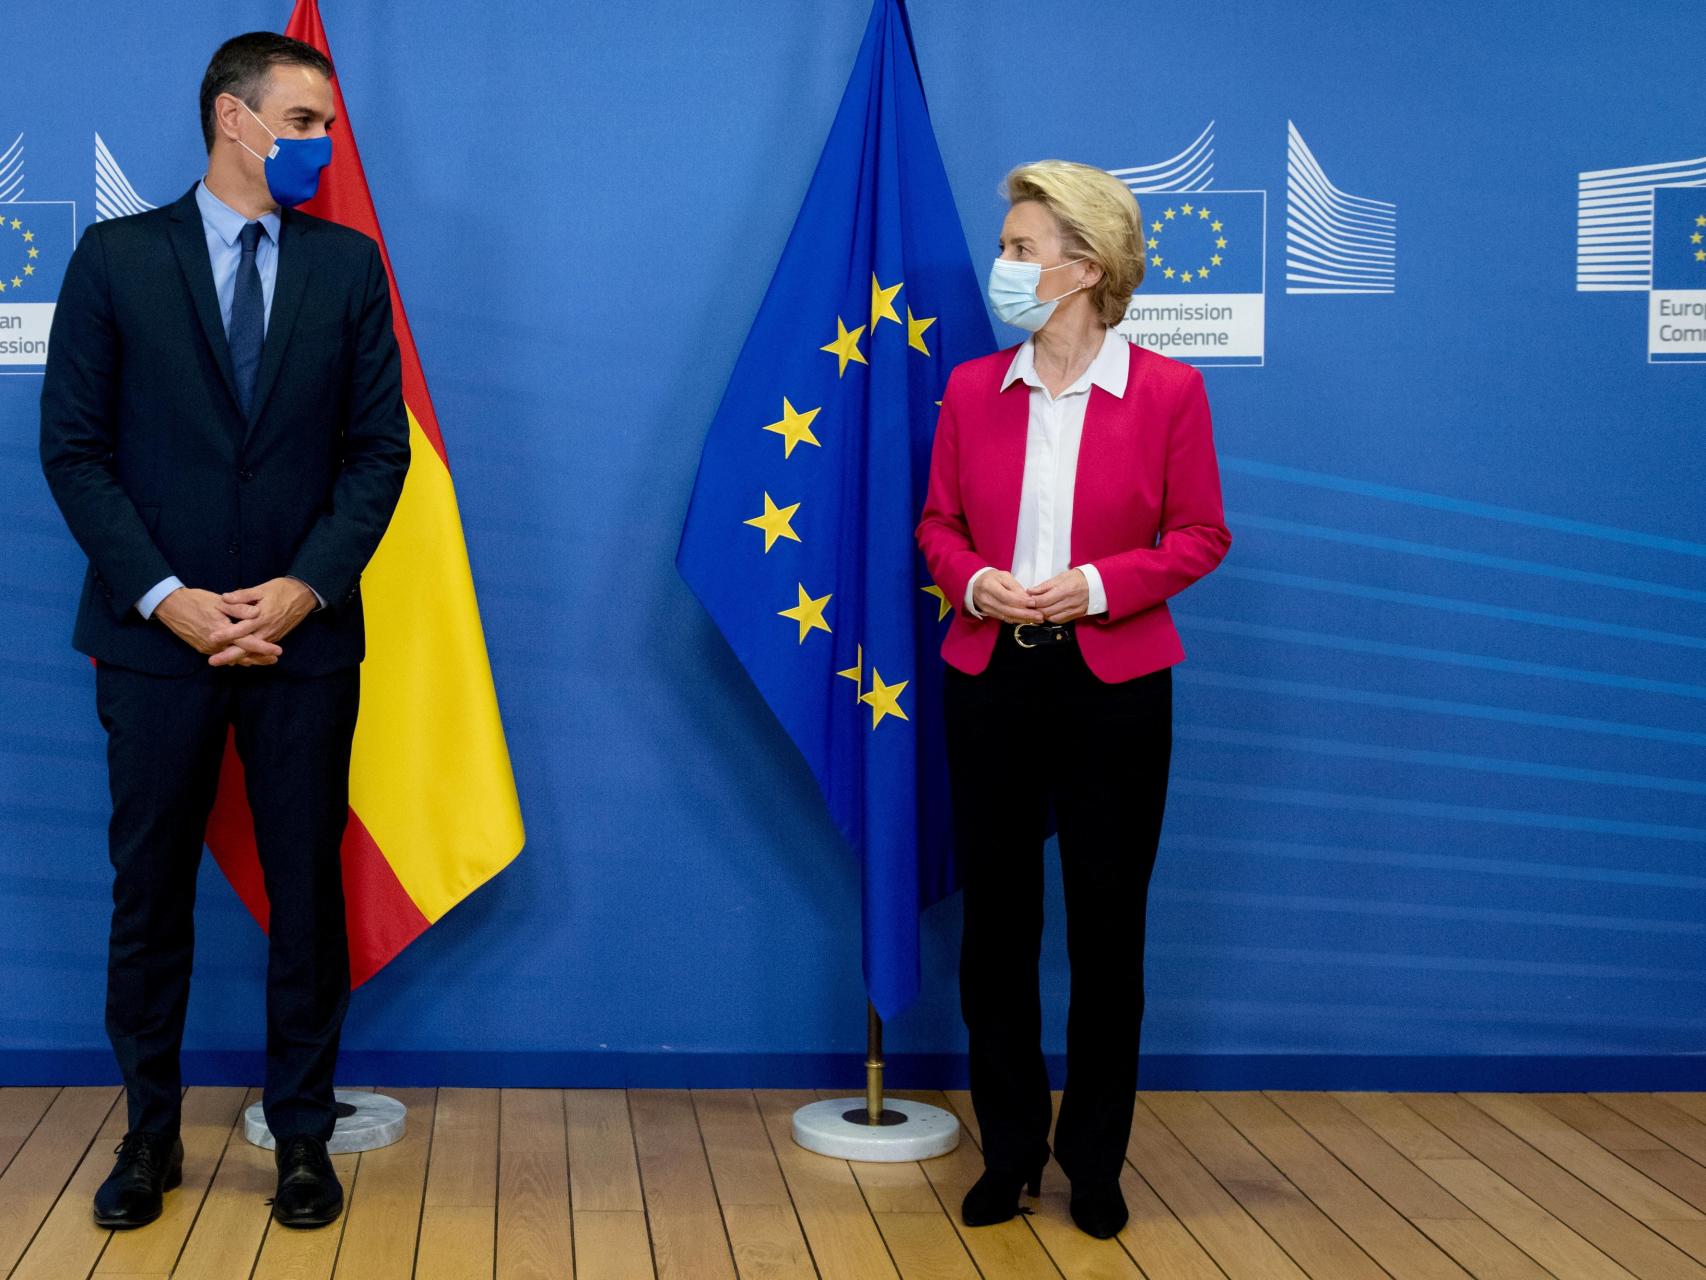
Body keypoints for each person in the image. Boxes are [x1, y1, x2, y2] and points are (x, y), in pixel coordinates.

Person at [39, 32, 410, 1230]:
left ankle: (303, 1137)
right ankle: (148, 1136)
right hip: (156, 642)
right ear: (232, 119)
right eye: (303, 121)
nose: (320, 145)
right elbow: (76, 451)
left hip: (305, 639)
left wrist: (300, 588)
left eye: (326, 126)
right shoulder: (114, 257)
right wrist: (170, 595)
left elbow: (375, 454)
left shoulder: (348, 268)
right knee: (148, 893)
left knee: (306, 893)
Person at [916, 160, 1230, 1239]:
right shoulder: (969, 389)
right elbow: (935, 525)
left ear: (1083, 268)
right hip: (989, 676)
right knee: (995, 931)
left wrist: (1095, 585)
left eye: (1019, 248)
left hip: (1113, 688)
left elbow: (1199, 536)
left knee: (1108, 932)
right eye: (1005, 246)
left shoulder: (1168, 393)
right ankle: (1008, 1153)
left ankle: (1093, 1163)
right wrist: (970, 578)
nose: (1001, 265)